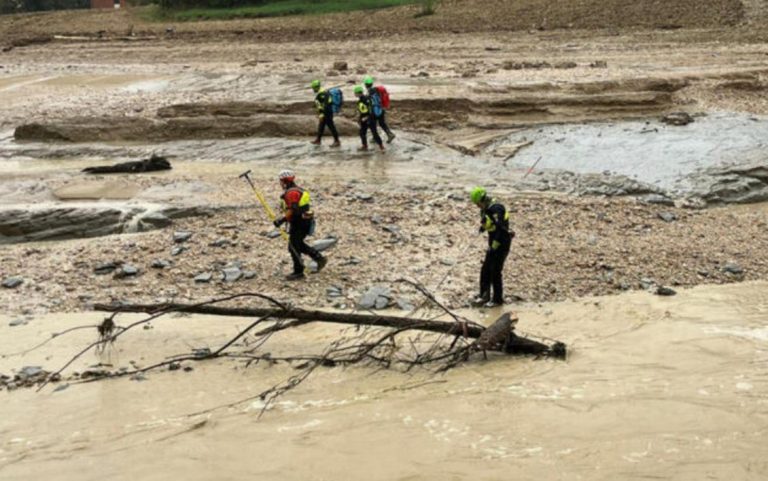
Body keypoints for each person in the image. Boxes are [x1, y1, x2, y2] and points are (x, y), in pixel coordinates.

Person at [273, 170, 327, 280]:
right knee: (296, 244)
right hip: (303, 221)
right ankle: (318, 258)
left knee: (293, 247)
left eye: (281, 181)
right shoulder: (297, 190)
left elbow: (293, 209)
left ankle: (298, 272)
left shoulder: (292, 193)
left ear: (284, 181)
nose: (280, 184)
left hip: (300, 223)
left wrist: (281, 220)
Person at [470, 187, 514, 307]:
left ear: (482, 200)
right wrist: (482, 228)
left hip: (502, 241)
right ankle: (484, 295)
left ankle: (497, 300)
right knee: (485, 269)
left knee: (495, 270)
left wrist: (494, 245)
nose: (477, 206)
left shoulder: (496, 208)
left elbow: (500, 228)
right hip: (493, 240)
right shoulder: (485, 209)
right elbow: (489, 223)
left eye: (478, 203)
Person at [363, 75, 395, 143]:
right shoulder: (377, 90)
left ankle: (375, 138)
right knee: (382, 123)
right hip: (381, 109)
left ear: (365, 85)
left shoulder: (369, 92)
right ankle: (390, 134)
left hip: (373, 111)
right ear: (372, 83)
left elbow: (368, 102)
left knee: (372, 125)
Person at [310, 80, 340, 147]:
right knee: (321, 126)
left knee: (331, 126)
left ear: (316, 87)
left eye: (313, 88)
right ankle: (318, 140)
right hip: (325, 112)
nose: (312, 90)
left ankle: (337, 141)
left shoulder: (322, 94)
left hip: (327, 112)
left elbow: (325, 105)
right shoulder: (322, 92)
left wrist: (322, 114)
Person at [354, 85, 384, 151]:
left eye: (355, 93)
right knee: (362, 132)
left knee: (374, 133)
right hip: (364, 119)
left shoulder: (365, 100)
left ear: (358, 93)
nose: (354, 94)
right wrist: (360, 118)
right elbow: (362, 111)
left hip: (370, 119)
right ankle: (365, 146)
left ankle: (381, 147)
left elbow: (370, 110)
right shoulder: (362, 99)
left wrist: (366, 117)